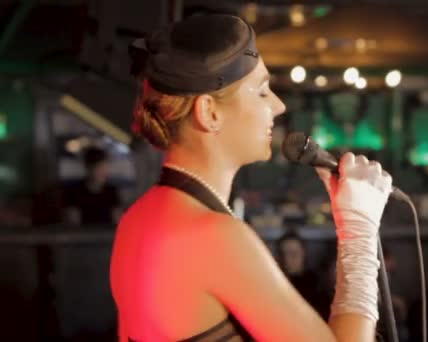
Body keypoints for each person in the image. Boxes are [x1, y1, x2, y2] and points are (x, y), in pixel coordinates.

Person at [110, 12, 394, 342]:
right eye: (261, 92)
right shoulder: (215, 236)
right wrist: (359, 230)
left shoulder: (137, 218)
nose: (278, 106)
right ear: (209, 112)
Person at [63, 146, 122, 225]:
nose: (104, 173)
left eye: (105, 168)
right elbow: (73, 223)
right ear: (89, 168)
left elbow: (117, 220)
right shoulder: (74, 192)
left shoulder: (111, 192)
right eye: (99, 168)